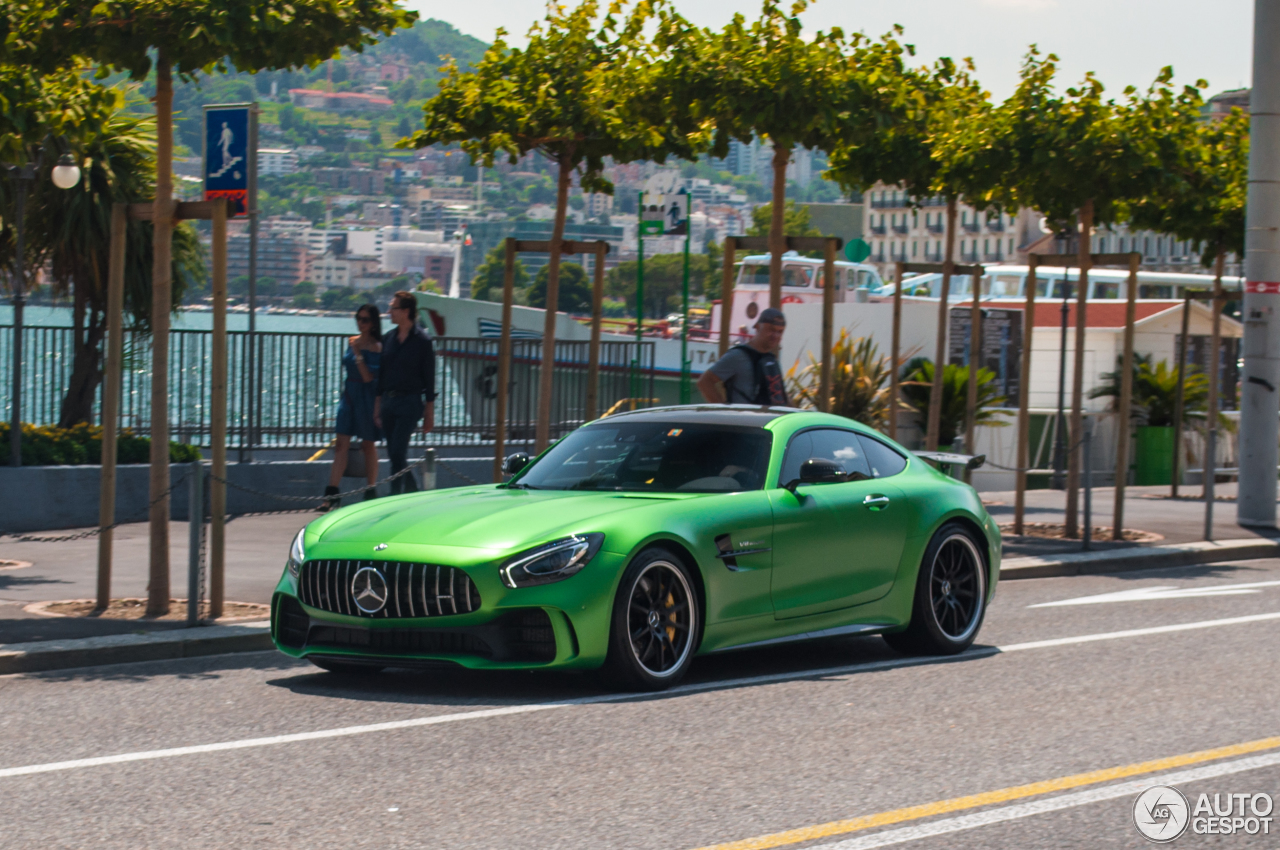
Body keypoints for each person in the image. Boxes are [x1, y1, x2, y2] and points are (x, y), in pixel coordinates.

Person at [322, 304, 383, 511]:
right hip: (349, 395)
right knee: (341, 444)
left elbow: (368, 378)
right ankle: (331, 493)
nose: (360, 323)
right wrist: (354, 349)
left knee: (368, 445)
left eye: (365, 319)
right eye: (358, 318)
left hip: (367, 396)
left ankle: (371, 489)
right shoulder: (352, 342)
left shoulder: (376, 347)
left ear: (373, 323)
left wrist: (357, 352)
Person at [375, 291, 437, 494]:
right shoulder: (388, 338)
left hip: (410, 403)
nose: (389, 311)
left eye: (393, 307)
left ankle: (394, 497)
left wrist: (429, 412)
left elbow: (429, 379)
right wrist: (377, 406)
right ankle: (413, 491)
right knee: (395, 455)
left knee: (398, 451)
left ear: (406, 311)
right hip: (388, 402)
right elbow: (381, 375)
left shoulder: (423, 341)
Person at [696, 307, 791, 406]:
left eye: (780, 332)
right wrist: (725, 413)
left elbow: (781, 396)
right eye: (771, 330)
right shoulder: (737, 356)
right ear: (757, 327)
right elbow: (705, 382)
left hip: (771, 420)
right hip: (744, 420)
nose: (775, 335)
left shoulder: (771, 360)